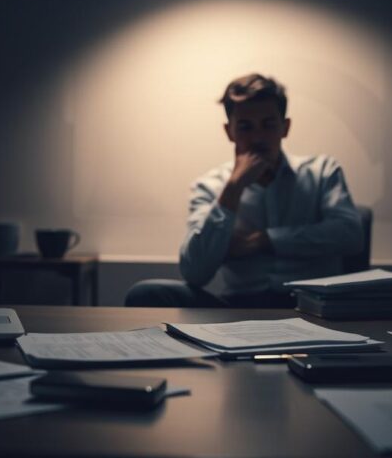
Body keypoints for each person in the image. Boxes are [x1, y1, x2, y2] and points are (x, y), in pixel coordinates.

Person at [125, 73, 363, 308]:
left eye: (268, 125)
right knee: (147, 293)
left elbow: (350, 234)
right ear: (229, 131)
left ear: (285, 127)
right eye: (245, 127)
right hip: (238, 307)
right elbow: (194, 273)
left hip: (310, 305)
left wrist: (265, 240)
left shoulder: (323, 171)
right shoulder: (210, 186)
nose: (257, 138)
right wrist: (233, 188)